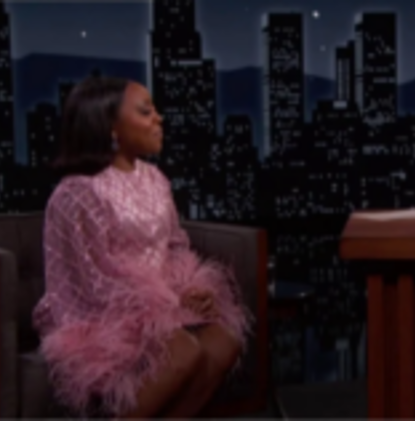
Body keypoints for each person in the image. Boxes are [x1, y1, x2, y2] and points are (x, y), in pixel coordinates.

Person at [32, 76, 252, 418]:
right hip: (102, 316)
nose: (159, 118)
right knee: (181, 351)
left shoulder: (154, 179)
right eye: (146, 111)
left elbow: (175, 246)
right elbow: (95, 281)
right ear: (111, 127)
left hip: (164, 303)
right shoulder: (77, 194)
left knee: (225, 341)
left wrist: (190, 288)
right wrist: (167, 300)